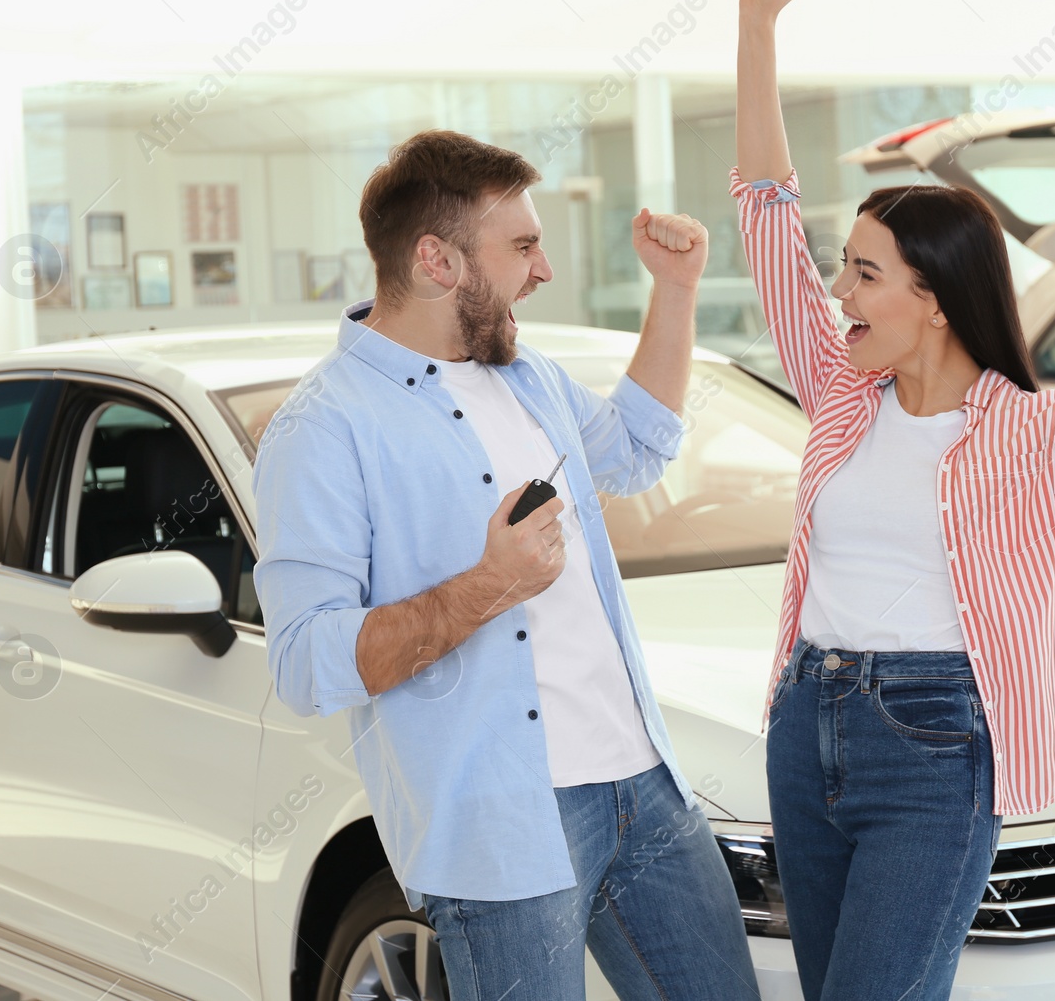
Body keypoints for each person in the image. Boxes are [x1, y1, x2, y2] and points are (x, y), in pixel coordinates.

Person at [733, 0, 1055, 1000]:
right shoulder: (839, 388)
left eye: (864, 274)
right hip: (805, 720)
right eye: (843, 270)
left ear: (937, 298)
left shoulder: (1036, 428)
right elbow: (767, 207)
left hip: (935, 741)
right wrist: (757, 26)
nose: (839, 292)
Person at [253, 129, 761, 1000]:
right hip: (502, 824)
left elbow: (636, 449)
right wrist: (491, 585)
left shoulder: (526, 376)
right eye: (522, 246)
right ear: (436, 260)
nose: (544, 269)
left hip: (643, 785)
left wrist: (675, 291)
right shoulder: (323, 429)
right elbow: (306, 661)